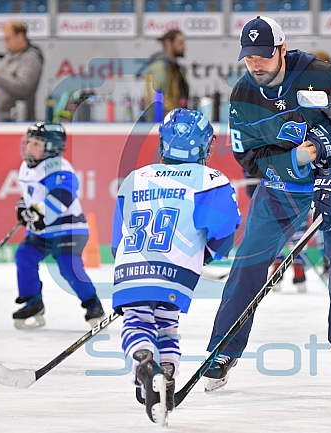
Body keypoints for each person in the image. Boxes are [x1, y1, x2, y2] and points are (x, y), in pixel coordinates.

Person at [204, 16, 331, 396]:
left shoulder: (326, 77)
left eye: (264, 56)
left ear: (281, 50)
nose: (256, 64)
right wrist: (296, 160)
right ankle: (224, 347)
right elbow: (248, 158)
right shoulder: (243, 96)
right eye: (249, 57)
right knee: (248, 259)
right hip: (282, 188)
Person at [111, 108, 241, 425]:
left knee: (138, 323)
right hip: (177, 274)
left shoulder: (135, 178)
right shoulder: (210, 180)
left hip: (131, 269)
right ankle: (165, 380)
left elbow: (118, 237)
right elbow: (224, 234)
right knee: (166, 326)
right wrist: (203, 256)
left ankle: (145, 367)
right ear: (204, 146)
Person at [13, 122, 104, 329]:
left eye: (36, 143)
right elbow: (31, 196)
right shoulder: (28, 166)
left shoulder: (60, 168)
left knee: (68, 267)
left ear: (51, 148)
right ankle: (33, 301)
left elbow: (62, 196)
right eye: (30, 142)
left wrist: (39, 214)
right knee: (24, 256)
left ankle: (93, 304)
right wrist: (23, 206)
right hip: (44, 231)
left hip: (68, 230)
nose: (29, 147)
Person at [0, 20, 43, 121]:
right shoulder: (10, 56)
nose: (5, 42)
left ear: (20, 36)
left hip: (17, 120)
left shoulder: (30, 58)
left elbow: (23, 87)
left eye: (8, 38)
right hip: (1, 119)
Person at [144, 29, 190, 121]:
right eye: (180, 43)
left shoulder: (174, 68)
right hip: (163, 122)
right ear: (168, 43)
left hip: (171, 121)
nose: (184, 47)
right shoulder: (160, 66)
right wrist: (164, 121)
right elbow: (158, 98)